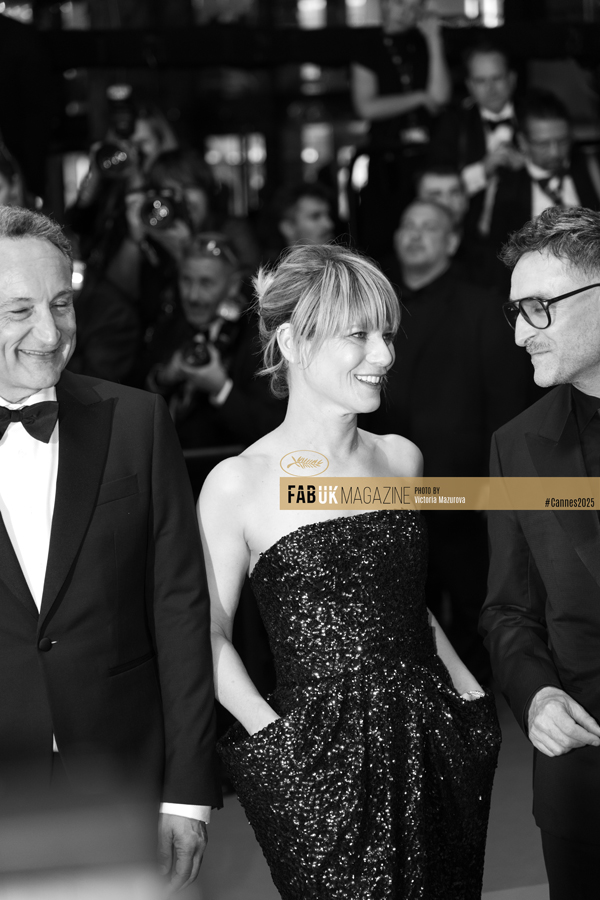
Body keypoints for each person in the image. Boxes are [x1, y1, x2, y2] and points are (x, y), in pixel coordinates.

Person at [199, 243, 500, 898]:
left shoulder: (401, 459)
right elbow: (207, 635)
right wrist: (278, 743)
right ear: (292, 342)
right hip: (315, 763)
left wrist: (471, 697)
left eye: (386, 335)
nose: (384, 356)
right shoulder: (238, 483)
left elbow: (405, 599)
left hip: (435, 742)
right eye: (358, 336)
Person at [0, 207, 220, 892]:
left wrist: (186, 794)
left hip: (121, 776)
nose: (49, 333)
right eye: (19, 311)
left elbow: (181, 613)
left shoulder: (137, 422)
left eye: (61, 304)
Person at [479, 206, 600, 900]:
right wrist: (537, 695)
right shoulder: (515, 446)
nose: (522, 333)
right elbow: (508, 611)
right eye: (516, 312)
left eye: (538, 308)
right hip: (584, 787)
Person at [366, 198, 539, 680]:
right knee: (401, 615)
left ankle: (482, 705)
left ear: (452, 241)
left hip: (464, 496)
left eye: (429, 227)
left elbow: (507, 402)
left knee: (476, 614)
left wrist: (495, 483)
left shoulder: (480, 305)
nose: (415, 234)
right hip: (388, 493)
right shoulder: (377, 308)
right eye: (408, 224)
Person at [146, 232, 285, 492]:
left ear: (232, 285)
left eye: (206, 283)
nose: (193, 295)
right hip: (166, 480)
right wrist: (164, 378)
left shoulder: (259, 340)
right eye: (186, 280)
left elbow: (273, 428)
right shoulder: (169, 324)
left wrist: (221, 389)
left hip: (234, 487)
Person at [468, 90, 600, 287]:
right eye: (543, 144)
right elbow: (493, 252)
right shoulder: (506, 183)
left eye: (562, 141)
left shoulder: (591, 167)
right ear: (523, 142)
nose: (555, 152)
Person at [351, 0, 451, 260]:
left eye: (414, 5)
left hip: (427, 156)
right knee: (383, 235)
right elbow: (366, 107)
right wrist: (418, 98)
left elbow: (440, 97)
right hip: (387, 161)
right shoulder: (368, 45)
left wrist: (434, 40)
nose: (406, 11)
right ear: (384, 4)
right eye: (399, 3)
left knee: (432, 225)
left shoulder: (423, 42)